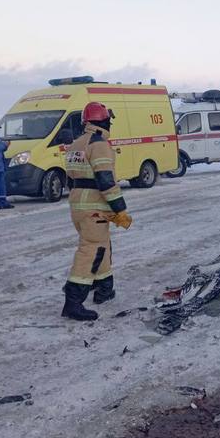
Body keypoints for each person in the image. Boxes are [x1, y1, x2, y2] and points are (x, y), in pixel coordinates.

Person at [62, 102, 133, 321]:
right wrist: (120, 208)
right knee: (91, 251)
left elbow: (69, 179)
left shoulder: (77, 144)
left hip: (79, 207)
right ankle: (73, 302)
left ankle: (104, 290)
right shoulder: (99, 144)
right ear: (103, 121)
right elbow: (105, 180)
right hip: (94, 207)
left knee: (100, 246)